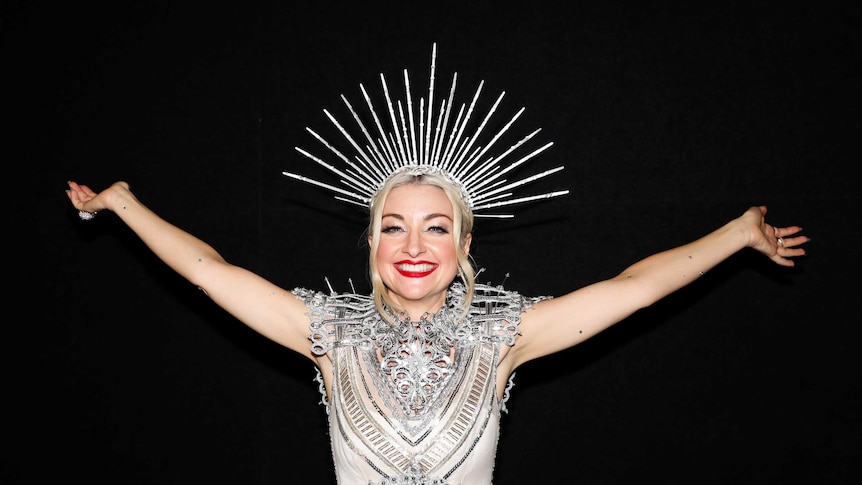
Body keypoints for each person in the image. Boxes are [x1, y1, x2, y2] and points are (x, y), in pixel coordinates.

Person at [65, 46, 808, 485]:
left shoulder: (504, 333)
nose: (414, 246)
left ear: (463, 245)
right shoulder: (328, 330)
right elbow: (206, 269)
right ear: (370, 243)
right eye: (393, 227)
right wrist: (124, 206)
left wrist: (738, 234)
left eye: (435, 227)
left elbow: (633, 290)